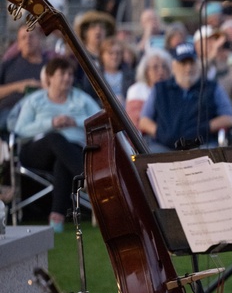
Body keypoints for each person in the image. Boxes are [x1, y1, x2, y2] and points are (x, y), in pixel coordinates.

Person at [13, 56, 101, 231]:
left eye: (70, 74)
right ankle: (89, 182)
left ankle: (57, 218)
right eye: (62, 74)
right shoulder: (35, 100)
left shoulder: (81, 99)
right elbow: (20, 129)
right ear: (50, 78)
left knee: (62, 160)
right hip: (37, 151)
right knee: (55, 138)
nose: (68, 78)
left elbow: (100, 121)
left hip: (72, 152)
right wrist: (51, 124)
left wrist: (75, 121)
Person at [138, 43, 232, 152]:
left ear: (198, 64)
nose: (188, 68)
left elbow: (228, 118)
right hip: (164, 146)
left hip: (200, 145)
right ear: (174, 66)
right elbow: (144, 120)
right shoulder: (160, 88)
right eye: (183, 63)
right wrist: (160, 132)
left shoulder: (212, 87)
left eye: (191, 63)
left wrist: (205, 128)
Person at [0, 24, 46, 129]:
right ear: (18, 44)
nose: (27, 40)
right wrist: (18, 86)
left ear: (39, 39)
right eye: (23, 38)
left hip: (41, 113)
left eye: (31, 36)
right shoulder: (7, 65)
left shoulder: (50, 67)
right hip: (9, 112)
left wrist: (41, 87)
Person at [125, 47, 171, 128]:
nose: (161, 71)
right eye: (155, 67)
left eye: (164, 67)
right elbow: (135, 123)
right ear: (146, 72)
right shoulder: (137, 90)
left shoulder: (174, 89)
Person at [98, 39, 134, 107]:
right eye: (110, 53)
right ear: (102, 55)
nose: (114, 57)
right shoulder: (95, 75)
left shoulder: (130, 75)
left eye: (118, 53)